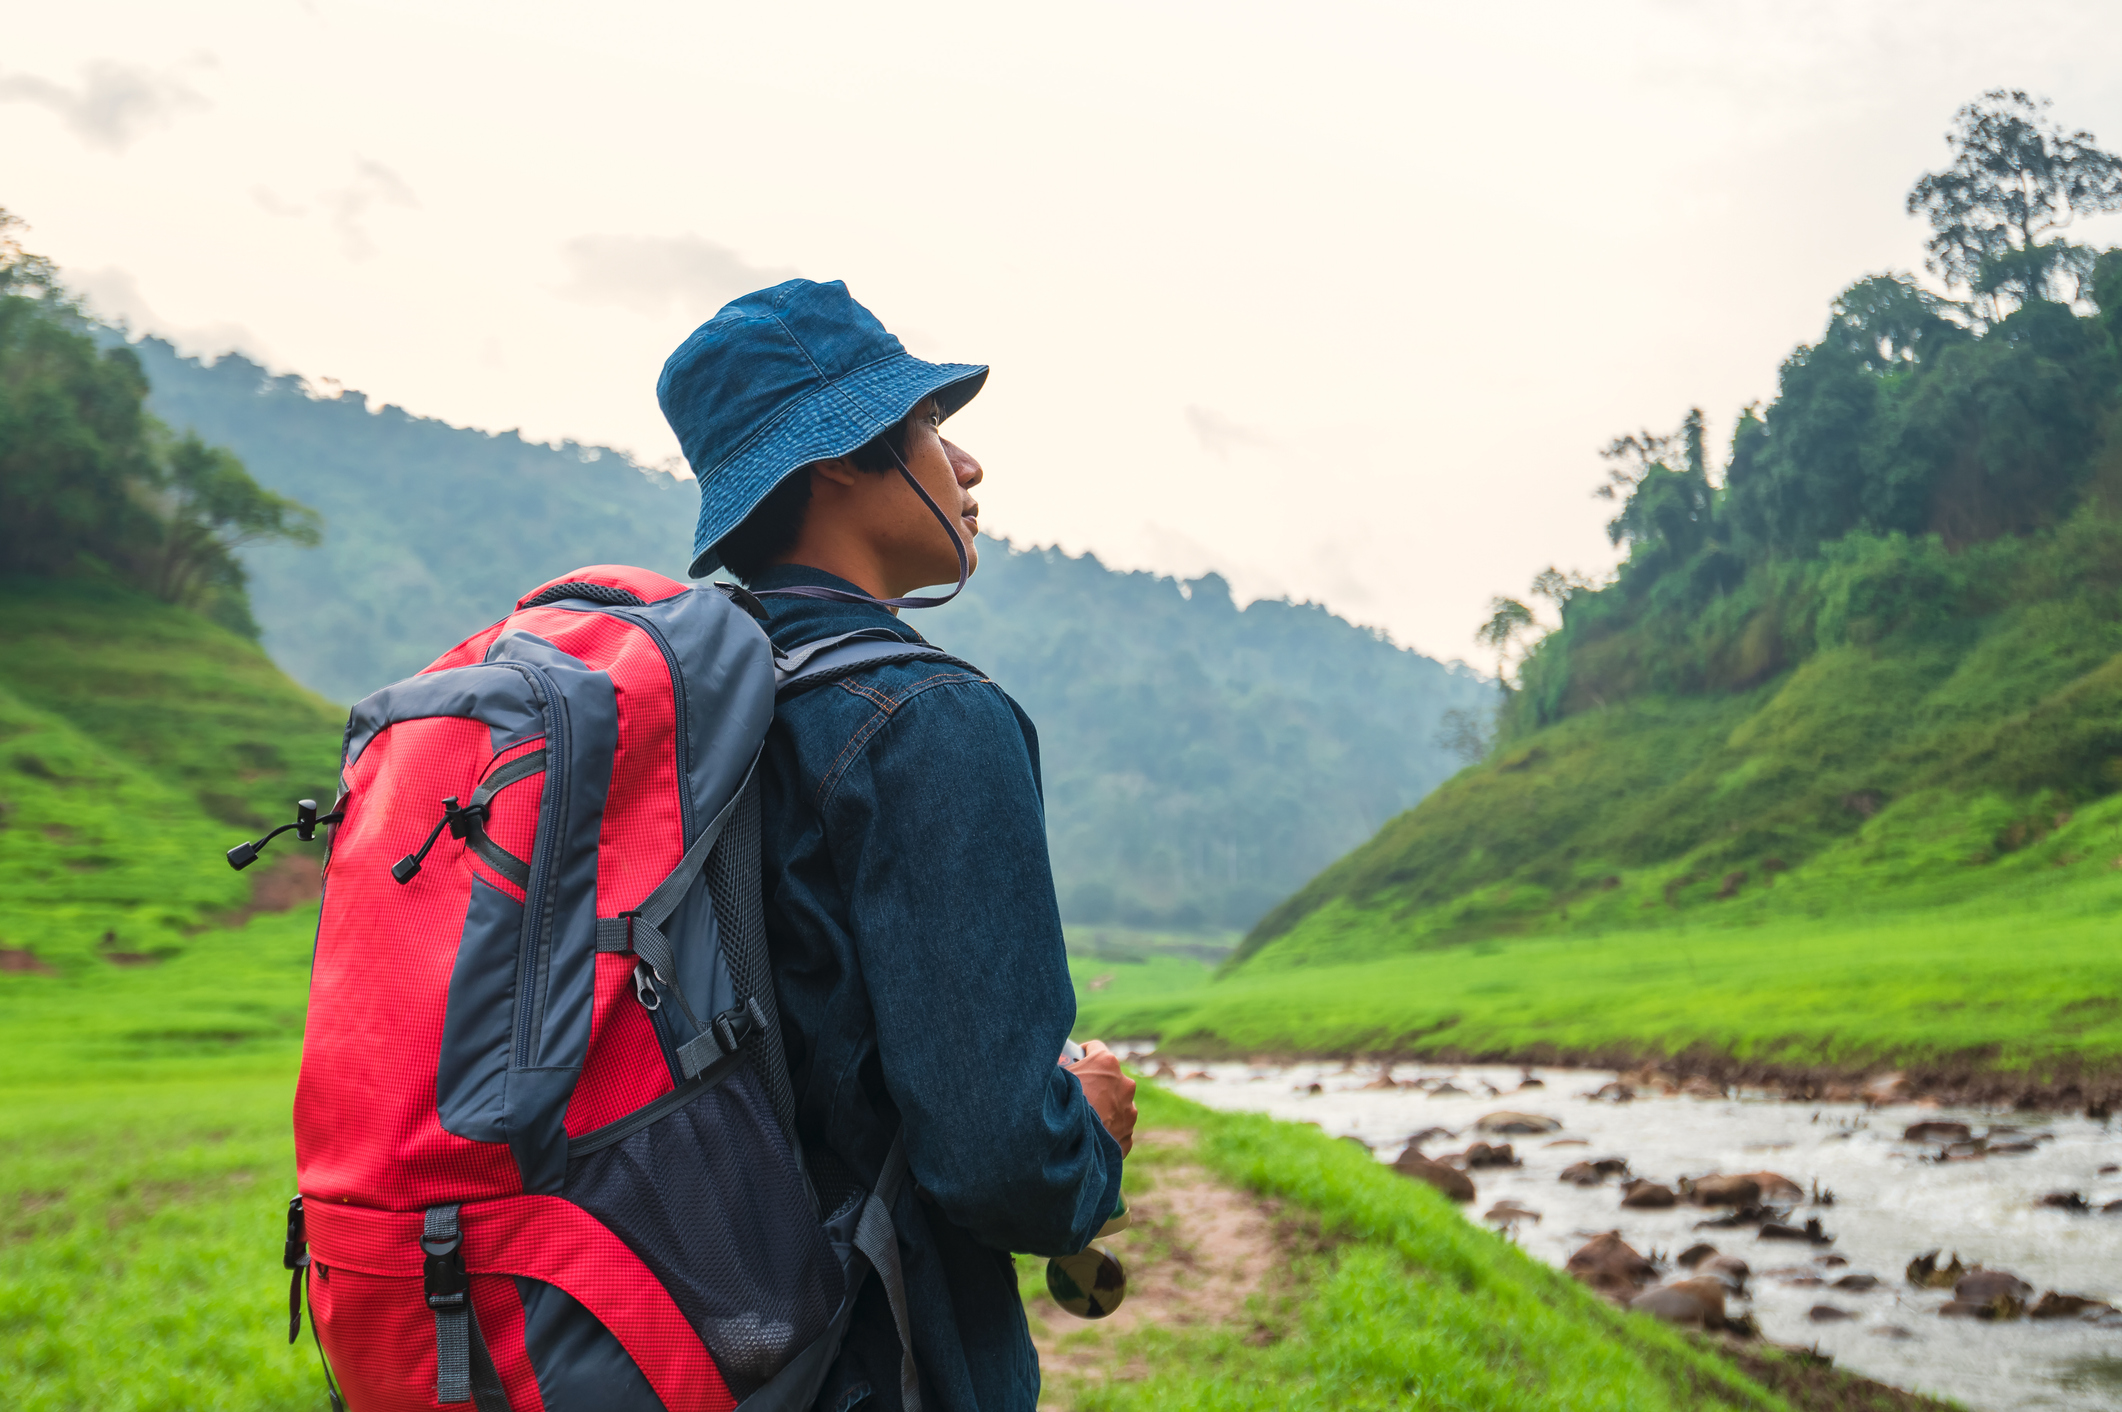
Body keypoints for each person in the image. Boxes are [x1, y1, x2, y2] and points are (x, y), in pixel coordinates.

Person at [657, 279, 1136, 1412]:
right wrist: (1091, 1136)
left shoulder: (684, 708)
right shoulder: (923, 718)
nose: (966, 466)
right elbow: (996, 1158)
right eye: (930, 427)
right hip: (874, 1357)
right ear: (836, 459)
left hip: (676, 1331)